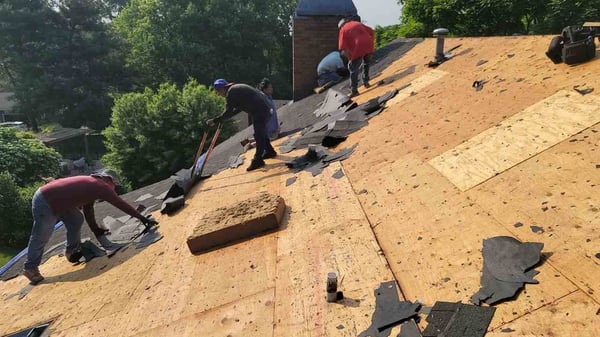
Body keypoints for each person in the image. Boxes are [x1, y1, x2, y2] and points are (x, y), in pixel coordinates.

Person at [22, 170, 158, 285]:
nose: (114, 189)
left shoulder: (92, 185)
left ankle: (71, 250)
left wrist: (97, 231)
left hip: (57, 199)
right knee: (42, 234)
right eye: (115, 185)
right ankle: (30, 268)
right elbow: (119, 203)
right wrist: (142, 218)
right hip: (45, 200)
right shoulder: (100, 186)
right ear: (110, 180)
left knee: (76, 219)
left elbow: (88, 211)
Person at [208, 79, 277, 171]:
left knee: (258, 135)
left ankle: (258, 160)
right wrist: (222, 119)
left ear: (221, 89)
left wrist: (215, 120)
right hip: (264, 109)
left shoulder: (231, 93)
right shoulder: (236, 89)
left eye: (218, 92)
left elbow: (229, 112)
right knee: (261, 133)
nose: (219, 95)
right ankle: (270, 151)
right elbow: (236, 110)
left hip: (260, 111)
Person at [338, 17, 375, 97]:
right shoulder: (357, 23)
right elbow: (371, 31)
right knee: (366, 63)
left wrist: (350, 60)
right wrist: (371, 43)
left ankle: (354, 91)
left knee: (353, 69)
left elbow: (343, 50)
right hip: (369, 43)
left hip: (359, 46)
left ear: (341, 26)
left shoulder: (343, 30)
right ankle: (366, 82)